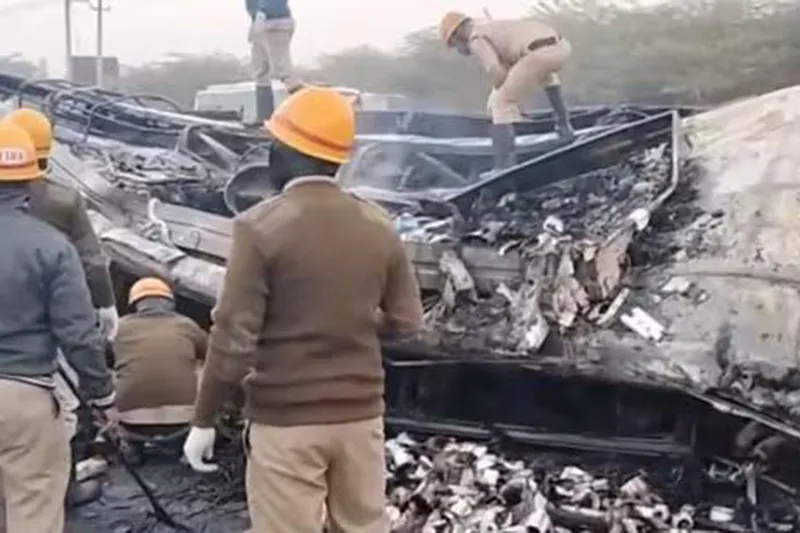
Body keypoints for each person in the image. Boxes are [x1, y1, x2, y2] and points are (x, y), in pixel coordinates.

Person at [183, 86, 424, 532]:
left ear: (285, 151)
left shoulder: (259, 227)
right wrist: (353, 318)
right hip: (361, 419)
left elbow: (233, 336)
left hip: (286, 421)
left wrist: (204, 418)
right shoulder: (378, 223)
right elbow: (407, 323)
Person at [0, 119, 116, 533]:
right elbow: (78, 336)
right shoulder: (51, 245)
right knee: (33, 506)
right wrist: (103, 395)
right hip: (25, 393)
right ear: (32, 180)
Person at [439, 12, 575, 171]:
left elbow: (493, 68)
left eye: (454, 44)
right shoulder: (492, 26)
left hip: (537, 54)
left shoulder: (476, 38)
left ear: (458, 34)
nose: (457, 49)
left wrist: (500, 91)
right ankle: (565, 126)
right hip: (561, 47)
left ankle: (504, 166)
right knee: (547, 77)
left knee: (500, 103)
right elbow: (513, 61)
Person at [113, 277, 207, 434]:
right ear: (170, 302)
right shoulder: (187, 325)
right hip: (184, 416)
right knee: (201, 366)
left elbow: (100, 359)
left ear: (135, 304)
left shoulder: (119, 327)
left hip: (131, 418)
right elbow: (212, 357)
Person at [246, 0, 303, 122]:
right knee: (260, 71)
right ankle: (264, 117)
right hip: (260, 23)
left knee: (282, 69)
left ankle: (306, 109)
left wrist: (262, 11)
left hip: (276, 23)